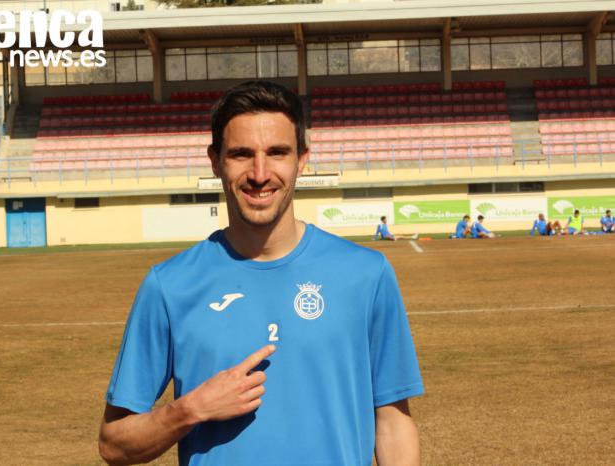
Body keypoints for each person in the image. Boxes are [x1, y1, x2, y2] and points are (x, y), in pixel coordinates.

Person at [99, 81, 424, 466]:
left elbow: (392, 422)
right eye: (240, 154)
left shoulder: (366, 274)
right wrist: (188, 410)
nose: (259, 173)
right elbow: (114, 445)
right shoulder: (169, 285)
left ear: (301, 160)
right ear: (215, 161)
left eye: (277, 153)